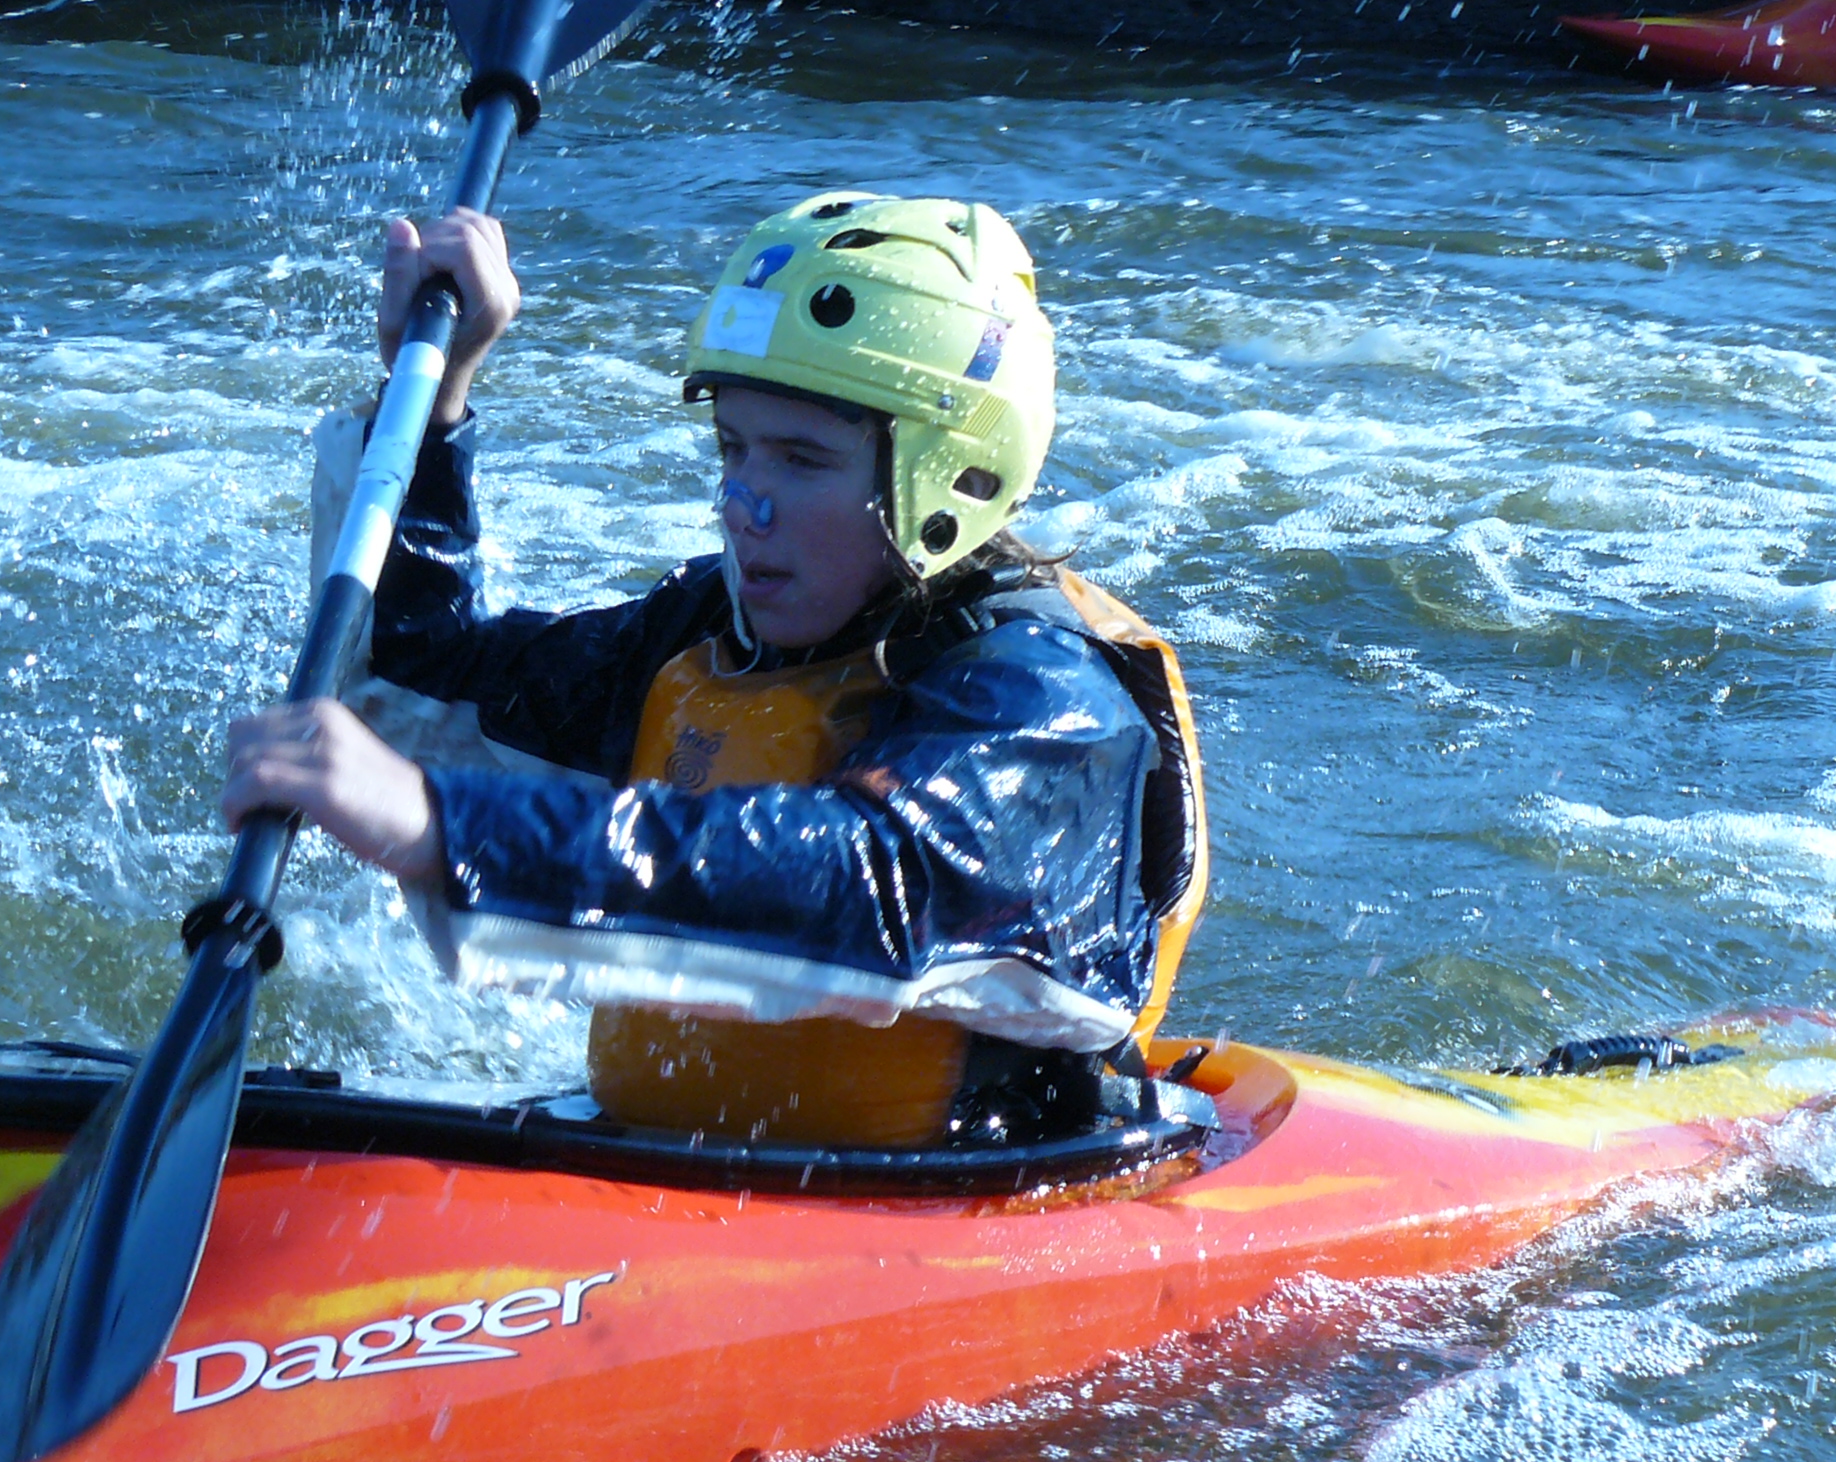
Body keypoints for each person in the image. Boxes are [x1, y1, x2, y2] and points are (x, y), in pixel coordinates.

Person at [218, 193, 1206, 1149]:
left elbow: (864, 884)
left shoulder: (1047, 706)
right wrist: (429, 398)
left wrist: (450, 830)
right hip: (672, 1173)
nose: (743, 503)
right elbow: (417, 685)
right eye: (734, 447)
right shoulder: (711, 636)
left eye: (801, 460)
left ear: (957, 476)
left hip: (962, 1199)